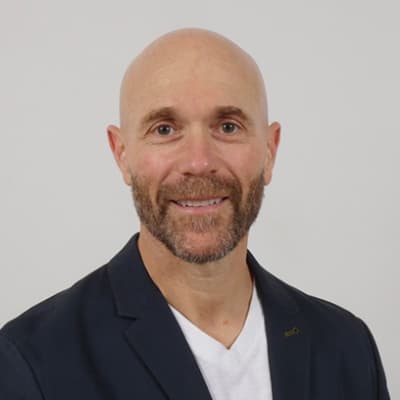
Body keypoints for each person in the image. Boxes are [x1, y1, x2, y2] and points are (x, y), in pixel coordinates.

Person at [0, 28, 390, 399]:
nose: (199, 162)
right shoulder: (32, 362)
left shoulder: (347, 347)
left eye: (228, 126)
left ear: (270, 151)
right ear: (122, 154)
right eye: (165, 129)